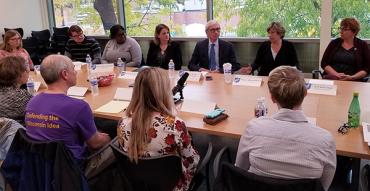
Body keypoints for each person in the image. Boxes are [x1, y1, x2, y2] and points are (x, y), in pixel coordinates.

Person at [235, 66, 336, 191]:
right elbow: (324, 186)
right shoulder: (325, 140)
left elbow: (240, 170)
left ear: (272, 98)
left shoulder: (253, 128)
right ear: (305, 93)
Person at [117, 67, 199, 191]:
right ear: (164, 92)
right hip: (171, 186)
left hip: (138, 184)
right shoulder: (175, 125)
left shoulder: (123, 123)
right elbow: (192, 162)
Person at [25, 55, 110, 160]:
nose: (76, 72)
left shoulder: (32, 102)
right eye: (73, 69)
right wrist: (109, 137)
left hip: (38, 165)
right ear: (65, 74)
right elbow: (95, 144)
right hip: (69, 168)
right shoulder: (79, 107)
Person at [0, 56, 32, 125]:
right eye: (26, 70)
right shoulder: (22, 97)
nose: (28, 71)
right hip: (14, 133)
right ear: (18, 75)